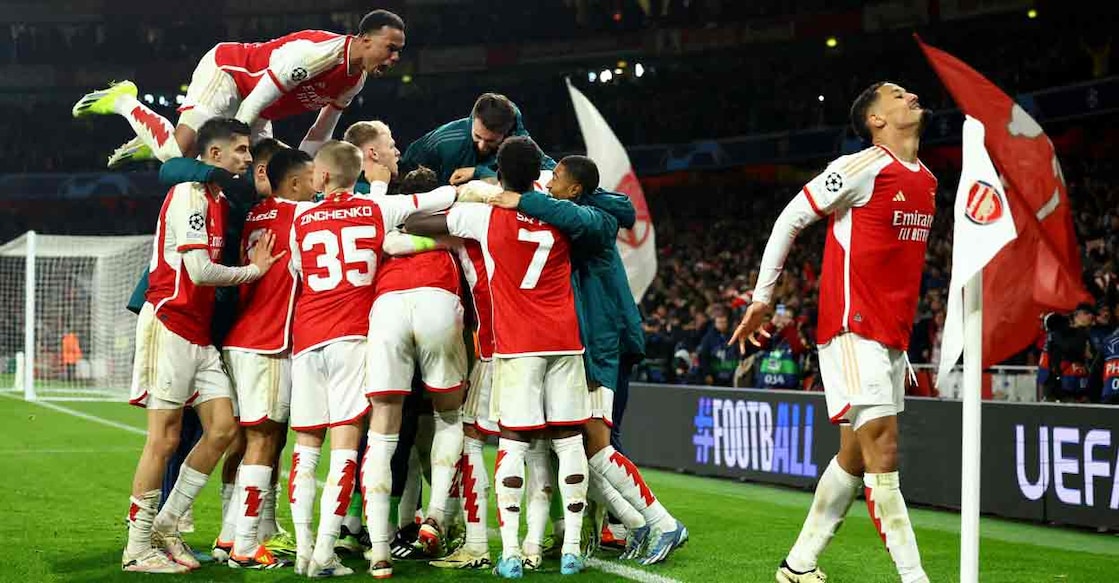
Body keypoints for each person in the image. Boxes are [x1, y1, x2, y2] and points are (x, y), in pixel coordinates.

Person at [730, 82, 935, 583]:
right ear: (875, 120)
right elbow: (789, 219)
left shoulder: (927, 179)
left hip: (892, 337)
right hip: (853, 329)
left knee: (854, 457)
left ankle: (798, 564)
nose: (910, 96)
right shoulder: (861, 166)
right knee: (884, 451)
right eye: (896, 95)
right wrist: (763, 297)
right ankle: (915, 578)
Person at [488, 155, 688, 565]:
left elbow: (614, 209)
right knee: (576, 444)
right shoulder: (578, 207)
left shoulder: (592, 218)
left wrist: (519, 199)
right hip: (590, 339)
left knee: (595, 443)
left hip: (602, 341)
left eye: (557, 178)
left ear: (576, 189)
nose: (549, 184)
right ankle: (636, 523)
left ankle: (662, 522)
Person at [406, 137, 590, 578]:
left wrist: (471, 194)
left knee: (509, 440)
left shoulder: (482, 216)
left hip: (513, 345)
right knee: (565, 441)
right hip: (565, 340)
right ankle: (565, 548)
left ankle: (504, 551)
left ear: (498, 174)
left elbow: (415, 221)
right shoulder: (562, 213)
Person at [287, 140, 458, 578]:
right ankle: (325, 552)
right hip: (352, 337)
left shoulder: (301, 217)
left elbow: (299, 272)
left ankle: (304, 550)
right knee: (345, 449)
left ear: (324, 176)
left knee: (305, 449)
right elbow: (435, 198)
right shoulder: (377, 208)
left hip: (307, 338)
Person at [122, 118, 285, 573]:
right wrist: (253, 272)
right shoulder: (189, 196)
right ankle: (137, 548)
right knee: (164, 438)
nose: (247, 158)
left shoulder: (216, 198)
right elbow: (198, 271)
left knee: (223, 428)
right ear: (215, 155)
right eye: (240, 150)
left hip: (198, 331)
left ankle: (167, 523)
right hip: (170, 323)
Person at [71, 10, 405, 167]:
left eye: (399, 52)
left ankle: (153, 141)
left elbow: (320, 131)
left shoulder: (355, 79)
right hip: (229, 74)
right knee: (176, 155)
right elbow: (253, 103)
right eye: (390, 48)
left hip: (258, 107)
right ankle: (124, 101)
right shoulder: (315, 54)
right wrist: (237, 146)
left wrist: (308, 169)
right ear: (365, 39)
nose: (394, 59)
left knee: (275, 169)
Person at [218, 147, 317, 569]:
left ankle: (229, 535)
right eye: (312, 177)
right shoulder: (301, 217)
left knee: (250, 439)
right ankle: (244, 545)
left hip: (239, 339)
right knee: (264, 439)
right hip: (268, 341)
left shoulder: (256, 214)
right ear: (293, 183)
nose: (318, 184)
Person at [399, 93, 555, 185]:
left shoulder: (517, 136)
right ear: (473, 121)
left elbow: (550, 171)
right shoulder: (448, 144)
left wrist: (478, 172)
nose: (481, 146)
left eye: (490, 141)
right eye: (477, 136)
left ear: (506, 134)